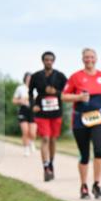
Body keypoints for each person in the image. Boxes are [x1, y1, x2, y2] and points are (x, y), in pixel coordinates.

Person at [62, 48, 101, 199]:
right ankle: (83, 186)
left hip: (98, 118)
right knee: (84, 155)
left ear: (96, 58)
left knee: (98, 150)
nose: (89, 59)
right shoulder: (76, 77)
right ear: (82, 59)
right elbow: (63, 96)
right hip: (80, 119)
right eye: (86, 57)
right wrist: (78, 98)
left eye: (92, 57)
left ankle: (97, 185)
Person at [29, 52, 68, 181]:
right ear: (42, 61)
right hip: (41, 112)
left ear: (54, 61)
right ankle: (46, 167)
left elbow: (68, 92)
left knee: (52, 139)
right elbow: (30, 93)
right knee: (45, 138)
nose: (48, 62)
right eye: (46, 60)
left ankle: (51, 163)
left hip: (56, 112)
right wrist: (33, 105)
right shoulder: (36, 76)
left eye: (51, 60)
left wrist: (56, 92)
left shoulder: (60, 76)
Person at [13, 72, 36, 156]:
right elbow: (14, 100)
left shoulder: (36, 88)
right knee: (25, 131)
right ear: (25, 78)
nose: (29, 79)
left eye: (31, 78)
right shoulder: (20, 88)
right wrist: (20, 101)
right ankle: (26, 149)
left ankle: (31, 141)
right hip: (23, 110)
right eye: (28, 78)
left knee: (32, 133)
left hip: (33, 111)